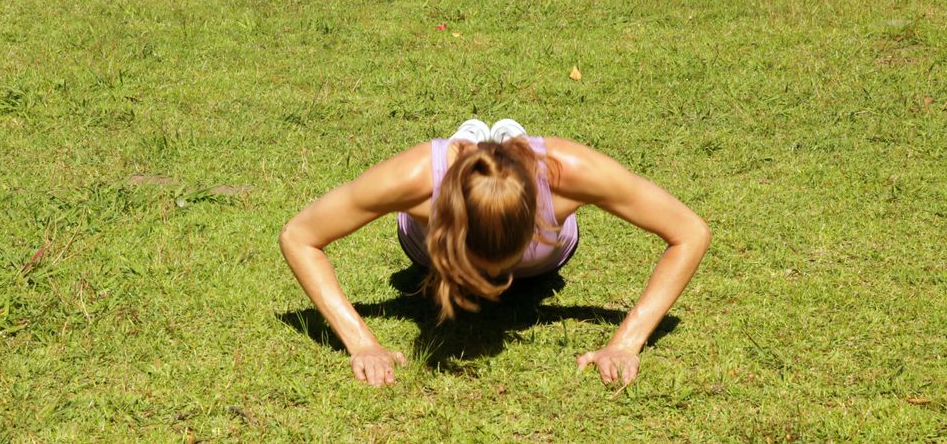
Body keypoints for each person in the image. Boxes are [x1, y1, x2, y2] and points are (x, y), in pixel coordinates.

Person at [279, 119, 711, 387]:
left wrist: (627, 342)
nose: (489, 280)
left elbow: (689, 232)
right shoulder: (414, 178)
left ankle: (510, 140)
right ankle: (469, 142)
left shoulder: (568, 173)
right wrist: (361, 344)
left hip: (543, 262)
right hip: (427, 246)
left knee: (519, 193)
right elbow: (300, 236)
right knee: (448, 179)